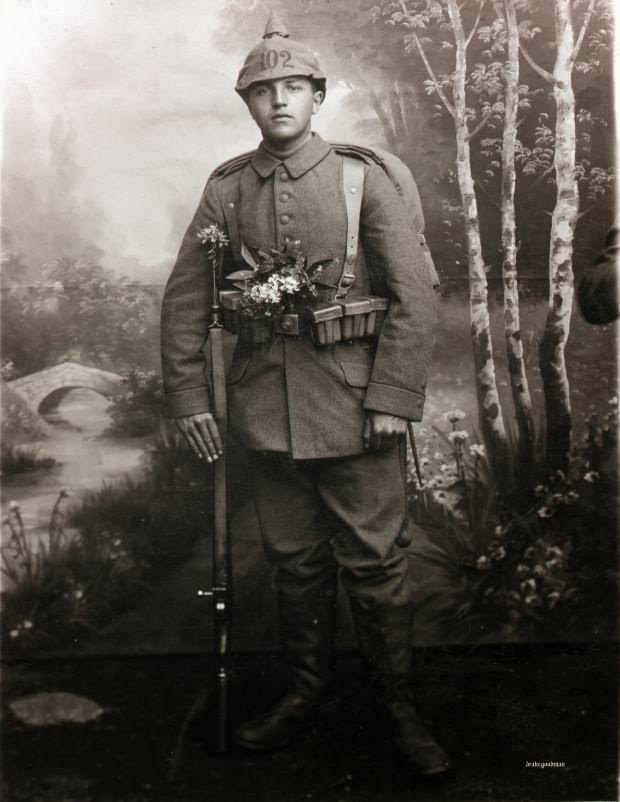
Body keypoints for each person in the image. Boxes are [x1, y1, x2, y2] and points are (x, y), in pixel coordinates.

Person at [160, 13, 449, 777]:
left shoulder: (363, 178)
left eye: (293, 86)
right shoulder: (226, 190)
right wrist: (191, 399)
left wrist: (393, 396)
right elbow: (185, 302)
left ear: (318, 96)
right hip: (264, 411)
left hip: (358, 409)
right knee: (293, 563)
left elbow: (415, 298)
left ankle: (398, 708)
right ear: (247, 104)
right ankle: (306, 693)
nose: (279, 100)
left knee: (376, 565)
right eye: (264, 90)